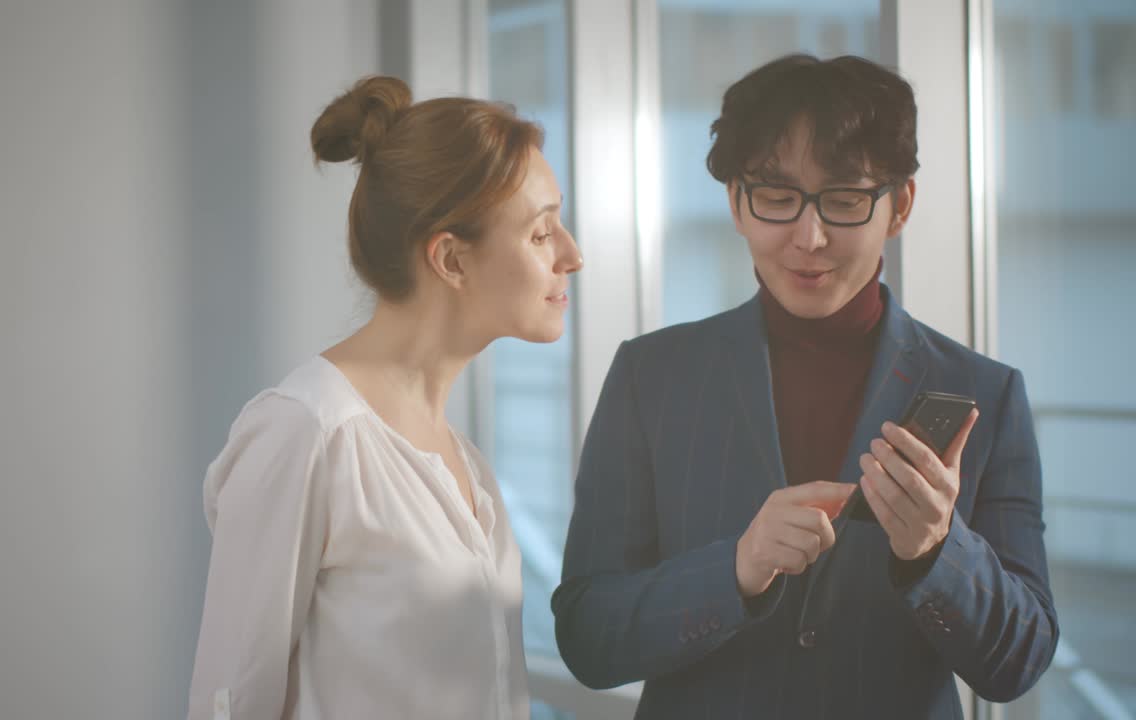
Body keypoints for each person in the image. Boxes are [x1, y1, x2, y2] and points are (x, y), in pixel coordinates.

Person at [553, 54, 1057, 719]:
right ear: (736, 203)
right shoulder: (652, 376)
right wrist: (734, 570)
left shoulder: (984, 393)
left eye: (844, 200)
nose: (809, 237)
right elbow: (586, 636)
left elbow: (1020, 661)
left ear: (900, 206)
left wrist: (938, 549)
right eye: (776, 197)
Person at [186, 75, 582, 720]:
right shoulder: (307, 432)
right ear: (451, 260)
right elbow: (228, 703)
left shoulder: (469, 467)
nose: (573, 255)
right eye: (541, 234)